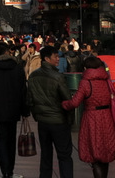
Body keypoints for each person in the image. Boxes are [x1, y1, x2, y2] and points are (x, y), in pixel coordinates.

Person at [61, 56, 115, 178]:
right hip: (107, 118)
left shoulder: (85, 82)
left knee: (95, 154)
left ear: (85, 68)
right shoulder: (106, 80)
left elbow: (75, 103)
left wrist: (63, 104)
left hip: (91, 118)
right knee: (105, 153)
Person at [0, 42, 30, 178]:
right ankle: (10, 169)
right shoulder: (17, 68)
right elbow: (23, 91)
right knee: (11, 140)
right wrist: (25, 110)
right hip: (14, 109)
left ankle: (5, 170)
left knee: (1, 139)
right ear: (8, 51)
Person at [27, 44, 74, 178]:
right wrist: (69, 120)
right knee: (64, 155)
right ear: (47, 59)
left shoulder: (33, 76)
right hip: (59, 121)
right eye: (55, 57)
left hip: (43, 121)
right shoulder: (58, 77)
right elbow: (67, 100)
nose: (58, 59)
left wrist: (37, 115)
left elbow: (30, 100)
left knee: (46, 154)